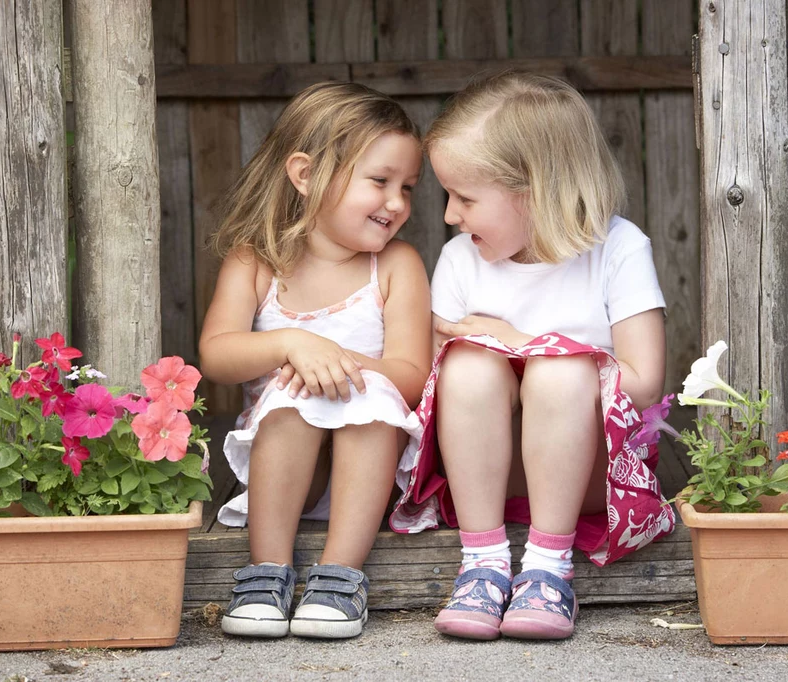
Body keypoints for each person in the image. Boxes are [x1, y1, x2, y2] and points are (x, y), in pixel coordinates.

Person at [389, 71, 676, 641]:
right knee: (468, 364)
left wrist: (524, 346)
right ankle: (484, 566)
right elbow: (428, 386)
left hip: (591, 478)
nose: (449, 214)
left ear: (534, 190)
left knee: (562, 372)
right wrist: (466, 348)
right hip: (485, 480)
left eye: (465, 197)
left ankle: (548, 570)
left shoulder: (618, 249)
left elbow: (642, 383)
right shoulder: (460, 261)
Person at [199, 82, 431, 640]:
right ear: (304, 175)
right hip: (282, 475)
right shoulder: (255, 260)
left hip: (366, 476)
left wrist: (339, 361)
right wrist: (292, 345)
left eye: (408, 187)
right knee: (292, 399)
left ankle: (339, 580)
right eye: (379, 181)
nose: (397, 203)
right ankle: (265, 574)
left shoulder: (397, 265)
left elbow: (411, 375)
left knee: (371, 401)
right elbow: (216, 354)